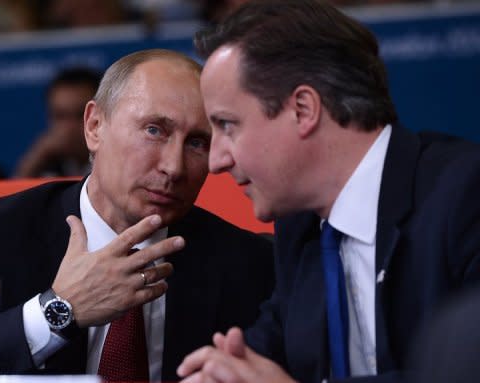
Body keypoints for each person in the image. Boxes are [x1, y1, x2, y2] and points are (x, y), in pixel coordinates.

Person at [177, 1, 480, 382]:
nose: (216, 160)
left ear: (304, 110)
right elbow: (263, 352)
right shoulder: (299, 227)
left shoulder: (467, 194)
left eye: (227, 125)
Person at [0, 49, 274, 381]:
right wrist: (58, 310)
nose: (174, 167)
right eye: (154, 130)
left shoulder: (251, 265)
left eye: (197, 143)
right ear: (95, 126)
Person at [14, 67, 101, 178]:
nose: (70, 127)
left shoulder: (118, 162)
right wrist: (34, 160)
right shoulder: (44, 165)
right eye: (60, 116)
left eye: (81, 115)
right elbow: (15, 193)